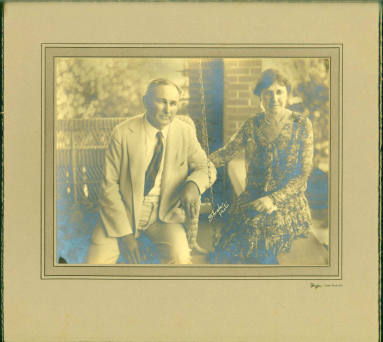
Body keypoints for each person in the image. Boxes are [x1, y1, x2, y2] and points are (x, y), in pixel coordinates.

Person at [87, 79, 216, 264]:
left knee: (180, 259)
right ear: (145, 102)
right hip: (124, 213)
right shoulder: (122, 133)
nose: (167, 109)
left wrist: (193, 185)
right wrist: (126, 237)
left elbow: (207, 168)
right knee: (94, 264)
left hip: (163, 217)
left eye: (173, 103)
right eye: (161, 101)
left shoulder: (184, 132)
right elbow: (108, 188)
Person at [209, 68, 327, 265]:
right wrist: (200, 163)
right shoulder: (252, 125)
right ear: (260, 98)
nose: (274, 98)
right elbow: (227, 153)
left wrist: (272, 199)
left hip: (287, 202)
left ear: (287, 95)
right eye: (268, 93)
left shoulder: (301, 124)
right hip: (252, 197)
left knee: (258, 240)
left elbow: (303, 174)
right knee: (227, 248)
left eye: (279, 92)